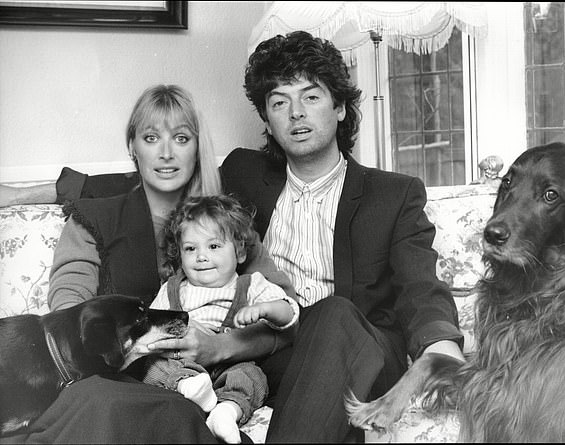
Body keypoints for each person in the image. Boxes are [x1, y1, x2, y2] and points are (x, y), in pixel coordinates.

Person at [0, 33, 466, 442]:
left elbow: (421, 286)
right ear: (267, 118)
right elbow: (149, 179)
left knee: (334, 314)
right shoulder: (244, 174)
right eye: (280, 102)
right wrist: (27, 189)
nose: (296, 114)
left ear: (341, 107)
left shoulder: (393, 194)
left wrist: (440, 343)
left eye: (312, 97)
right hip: (272, 358)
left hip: (357, 349)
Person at [1, 84, 297, 444]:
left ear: (197, 148)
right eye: (152, 137)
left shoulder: (225, 226)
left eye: (182, 138)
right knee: (160, 409)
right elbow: (70, 317)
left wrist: (222, 347)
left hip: (226, 376)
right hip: (121, 382)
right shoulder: (94, 220)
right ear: (133, 148)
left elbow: (286, 321)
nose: (167, 153)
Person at [142, 194, 299, 444]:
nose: (201, 256)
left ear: (238, 252)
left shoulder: (251, 284)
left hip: (231, 362)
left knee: (252, 376)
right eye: (191, 249)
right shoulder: (172, 288)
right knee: (152, 367)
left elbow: (289, 313)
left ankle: (226, 412)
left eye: (213, 246)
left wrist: (265, 309)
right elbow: (151, 327)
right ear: (180, 254)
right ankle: (187, 388)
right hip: (181, 363)